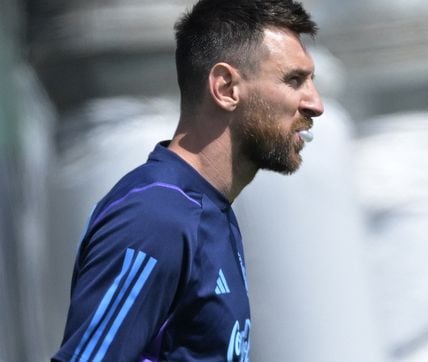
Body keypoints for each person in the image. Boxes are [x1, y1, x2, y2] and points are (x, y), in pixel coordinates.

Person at [51, 0, 323, 360]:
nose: (315, 104)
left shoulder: (211, 210)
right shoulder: (155, 217)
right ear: (226, 88)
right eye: (294, 80)